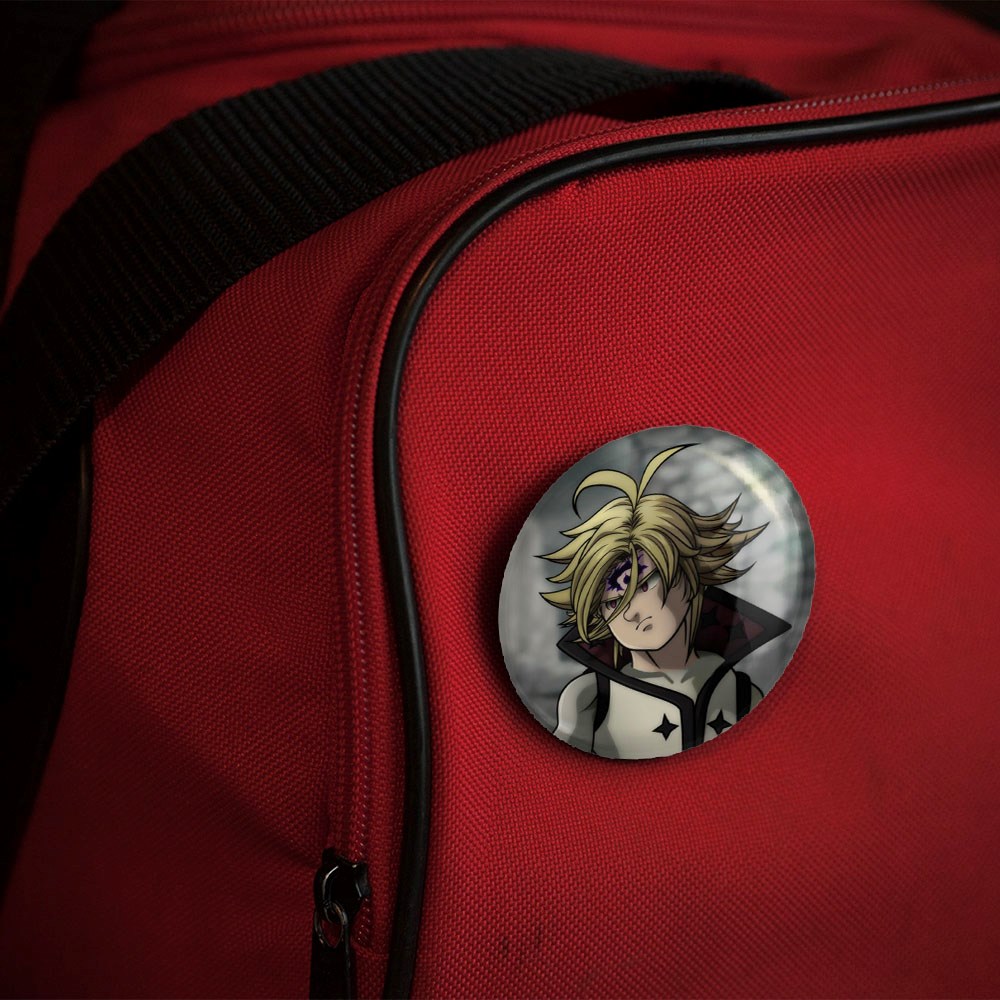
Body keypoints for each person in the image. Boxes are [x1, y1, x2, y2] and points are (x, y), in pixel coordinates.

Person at [540, 445, 786, 759]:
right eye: (612, 604)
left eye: (643, 586)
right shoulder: (589, 699)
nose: (631, 613)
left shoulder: (738, 690)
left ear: (687, 575)